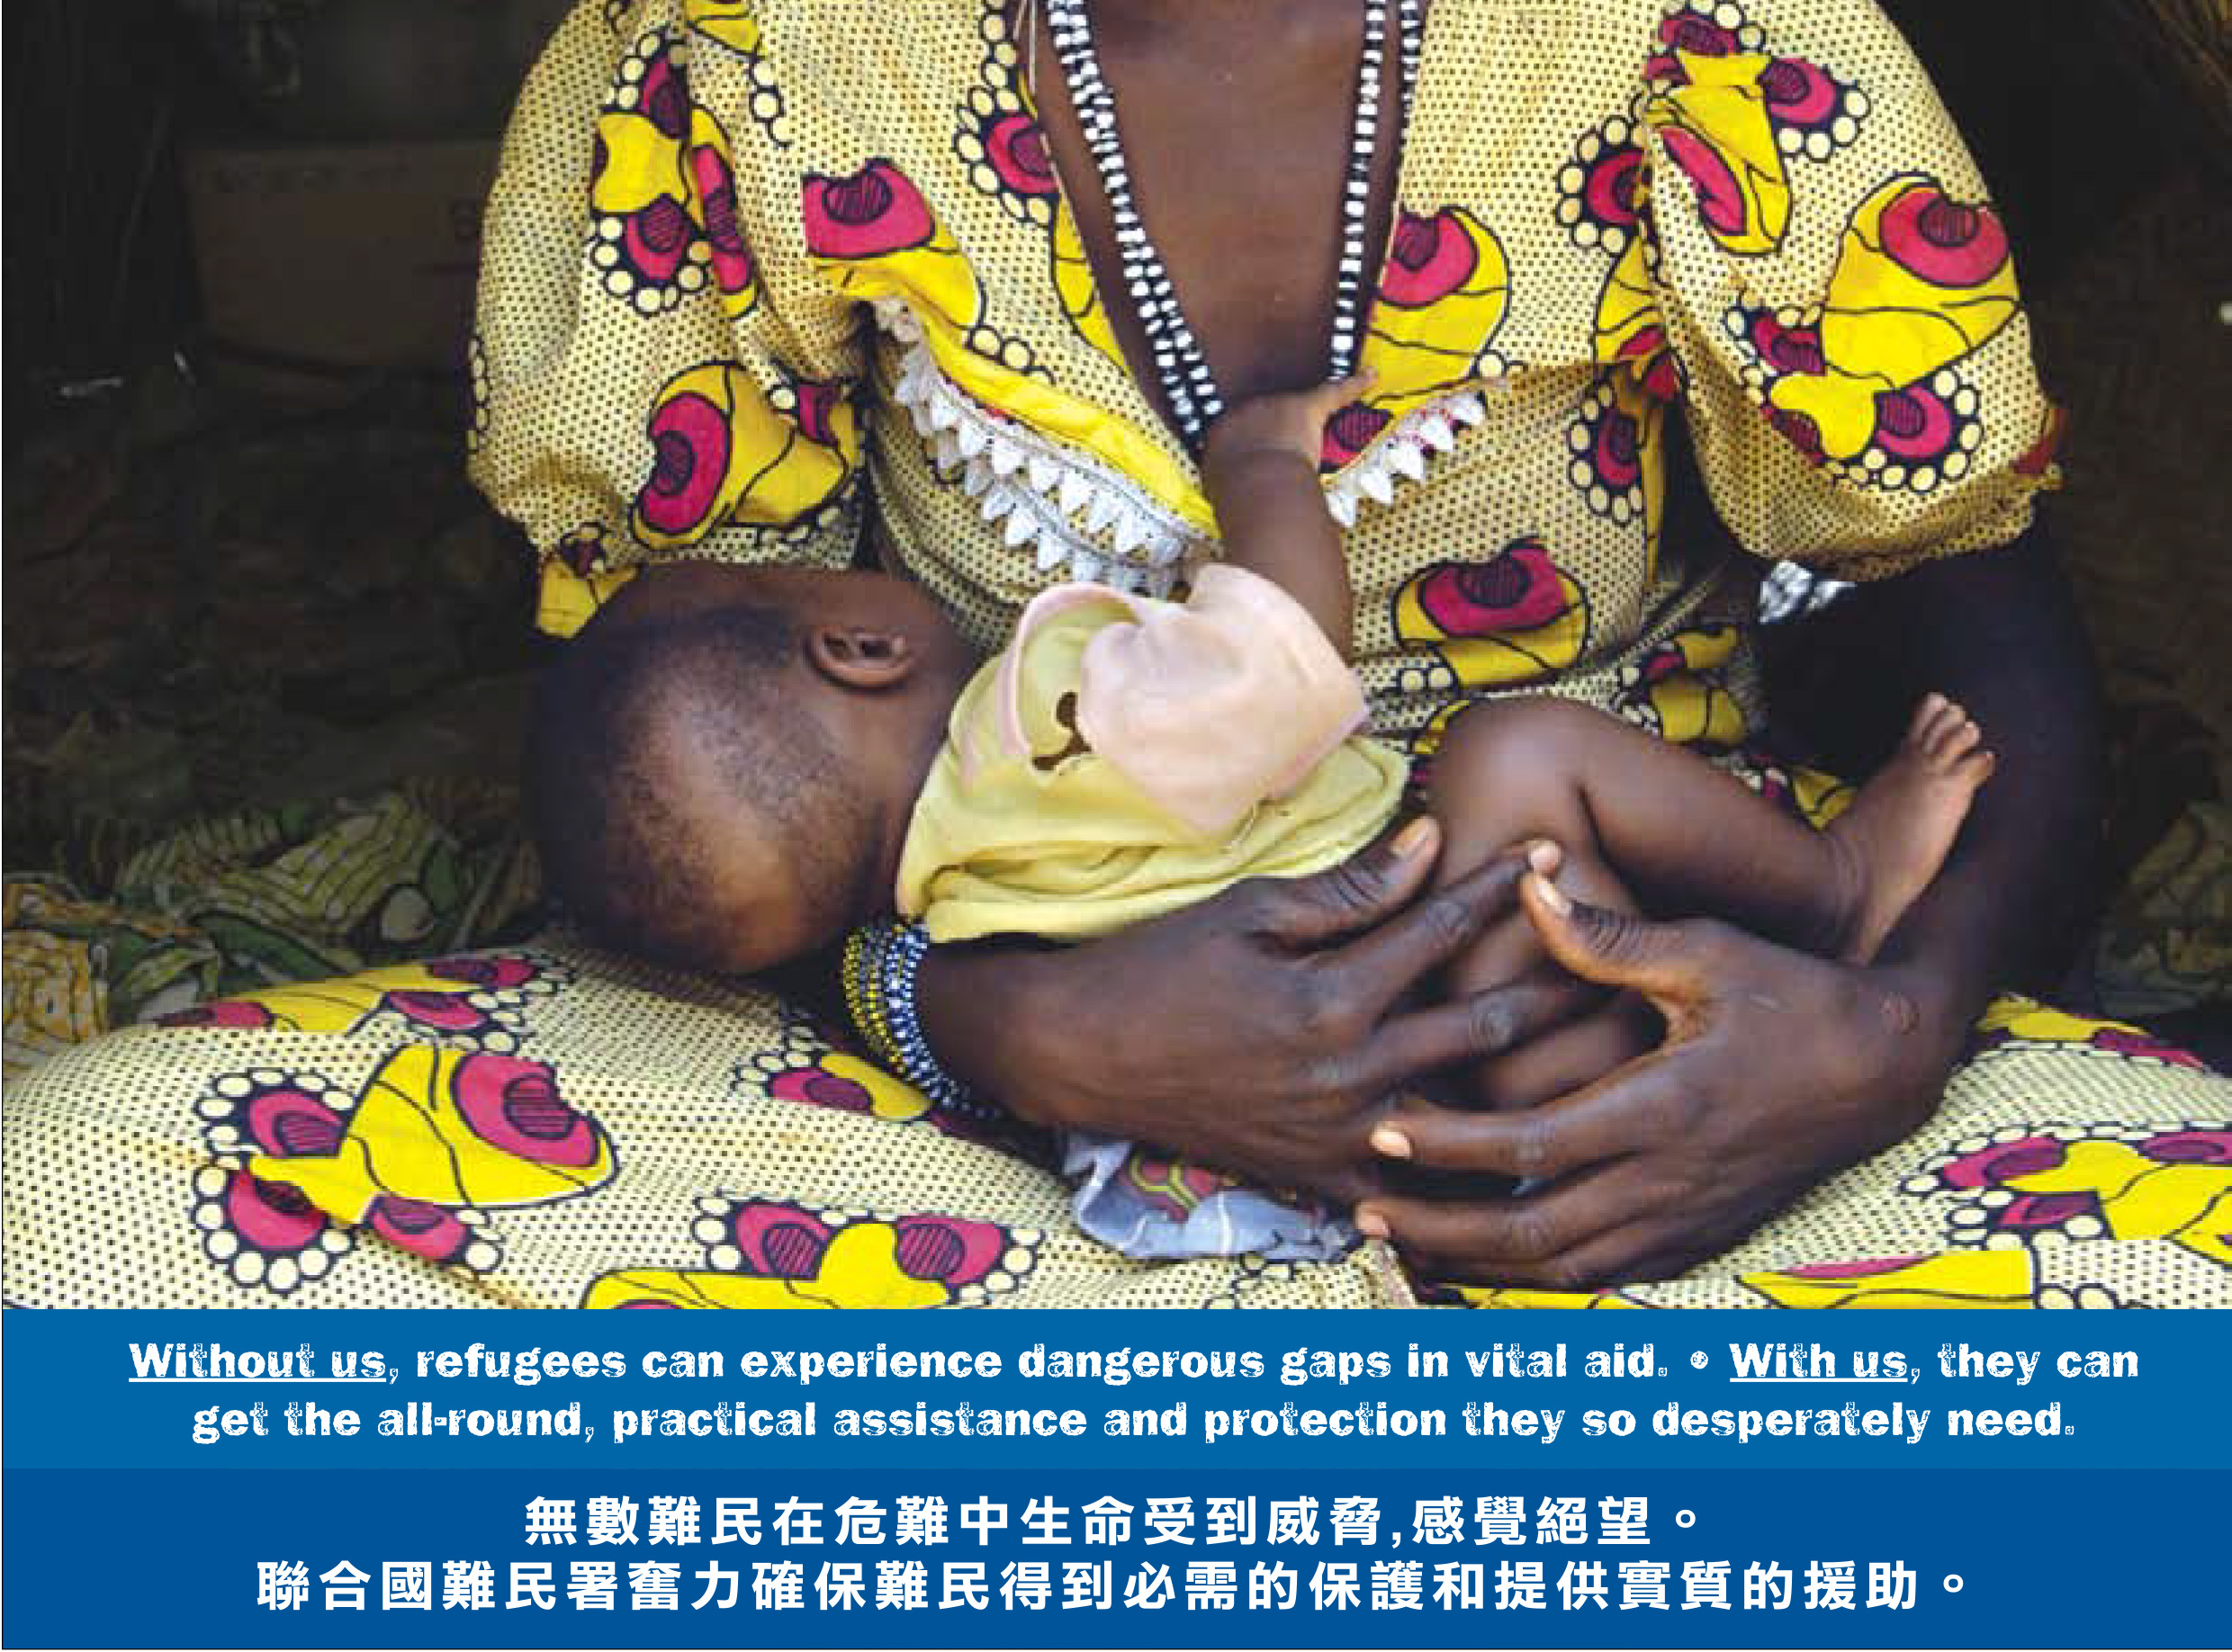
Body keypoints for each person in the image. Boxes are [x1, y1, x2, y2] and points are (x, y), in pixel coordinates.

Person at [8, 0, 2228, 1313]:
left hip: (1636, 1031)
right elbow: (689, 750)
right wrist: (996, 1013)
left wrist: (1877, 1028)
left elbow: (1950, 589)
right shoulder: (752, 44)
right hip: (966, 1108)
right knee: (83, 1203)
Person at [534, 371, 1996, 1255]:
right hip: (1497, 979)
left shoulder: (952, 917)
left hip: (1399, 1143)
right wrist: (1262, 473)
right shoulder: (1044, 724)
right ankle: (1833, 890)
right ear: (856, 642)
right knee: (1514, 755)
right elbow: (1275, 665)